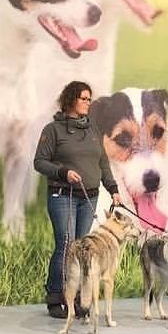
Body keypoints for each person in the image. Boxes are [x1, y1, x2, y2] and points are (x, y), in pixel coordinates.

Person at [34, 81, 123, 319]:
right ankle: (55, 296)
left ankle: (78, 299)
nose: (88, 103)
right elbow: (40, 162)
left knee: (83, 248)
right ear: (71, 100)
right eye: (83, 98)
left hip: (89, 196)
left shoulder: (93, 129)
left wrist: (113, 188)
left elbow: (102, 162)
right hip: (63, 195)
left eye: (89, 99)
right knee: (65, 245)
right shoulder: (53, 130)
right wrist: (63, 172)